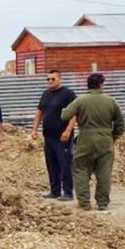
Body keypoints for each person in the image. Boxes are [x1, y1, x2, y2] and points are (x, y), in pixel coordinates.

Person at [60, 72, 124, 211]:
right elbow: (120, 124)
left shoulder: (80, 100)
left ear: (87, 85)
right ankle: (102, 203)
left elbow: (65, 116)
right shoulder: (111, 101)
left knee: (81, 170)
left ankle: (84, 203)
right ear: (101, 85)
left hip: (85, 139)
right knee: (104, 173)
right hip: (105, 140)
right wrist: (112, 137)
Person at [31, 70, 77, 201]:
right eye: (48, 79)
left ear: (59, 79)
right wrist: (34, 129)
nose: (50, 81)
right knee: (51, 164)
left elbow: (75, 114)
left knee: (65, 164)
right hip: (49, 136)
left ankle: (68, 192)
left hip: (62, 137)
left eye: (53, 79)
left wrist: (68, 130)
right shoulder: (46, 94)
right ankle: (55, 191)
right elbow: (40, 112)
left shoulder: (68, 94)